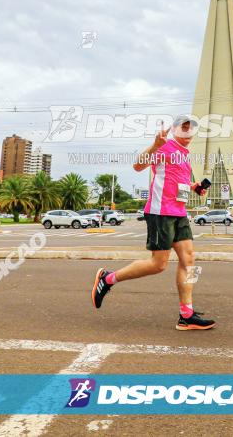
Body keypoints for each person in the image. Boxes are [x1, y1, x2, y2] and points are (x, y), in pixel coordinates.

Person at [91, 114, 215, 330]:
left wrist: (195, 187)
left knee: (190, 261)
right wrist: (155, 145)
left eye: (191, 128)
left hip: (179, 212)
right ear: (175, 130)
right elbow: (138, 166)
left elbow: (179, 182)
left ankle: (186, 315)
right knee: (158, 265)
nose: (187, 132)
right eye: (183, 127)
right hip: (161, 212)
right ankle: (107, 279)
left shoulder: (184, 154)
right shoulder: (165, 147)